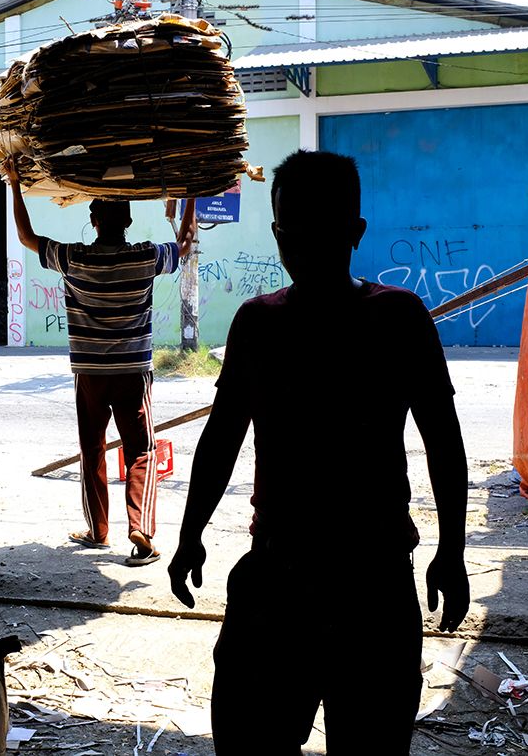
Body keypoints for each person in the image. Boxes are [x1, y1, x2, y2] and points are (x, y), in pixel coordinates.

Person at [167, 150, 469, 753]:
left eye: (312, 229)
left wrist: (453, 551)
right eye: (287, 229)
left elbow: (445, 443)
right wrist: (188, 532)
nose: (296, 243)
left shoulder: (382, 320)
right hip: (328, 580)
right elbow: (222, 438)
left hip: (343, 580)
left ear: (354, 232)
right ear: (277, 231)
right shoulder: (276, 323)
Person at [4, 157, 197, 566]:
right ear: (127, 221)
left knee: (91, 449)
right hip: (132, 373)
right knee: (141, 450)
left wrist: (15, 184)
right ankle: (140, 529)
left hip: (89, 374)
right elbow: (184, 244)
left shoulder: (73, 258)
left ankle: (98, 529)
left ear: (94, 221)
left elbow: (25, 236)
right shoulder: (147, 256)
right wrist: (191, 194)